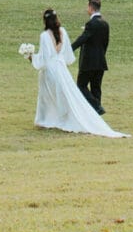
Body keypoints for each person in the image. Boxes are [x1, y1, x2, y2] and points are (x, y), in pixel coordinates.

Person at [29, 8, 126, 137]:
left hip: (50, 69)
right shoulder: (63, 32)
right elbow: (67, 54)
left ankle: (45, 119)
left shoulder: (44, 35)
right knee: (65, 93)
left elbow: (44, 58)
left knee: (47, 95)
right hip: (61, 68)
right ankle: (55, 118)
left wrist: (31, 57)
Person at [70, 0, 110, 114]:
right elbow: (105, 43)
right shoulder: (105, 24)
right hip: (100, 62)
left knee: (81, 85)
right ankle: (96, 114)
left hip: (88, 63)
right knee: (96, 88)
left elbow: (82, 39)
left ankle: (97, 106)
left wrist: (70, 49)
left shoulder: (91, 24)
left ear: (90, 8)